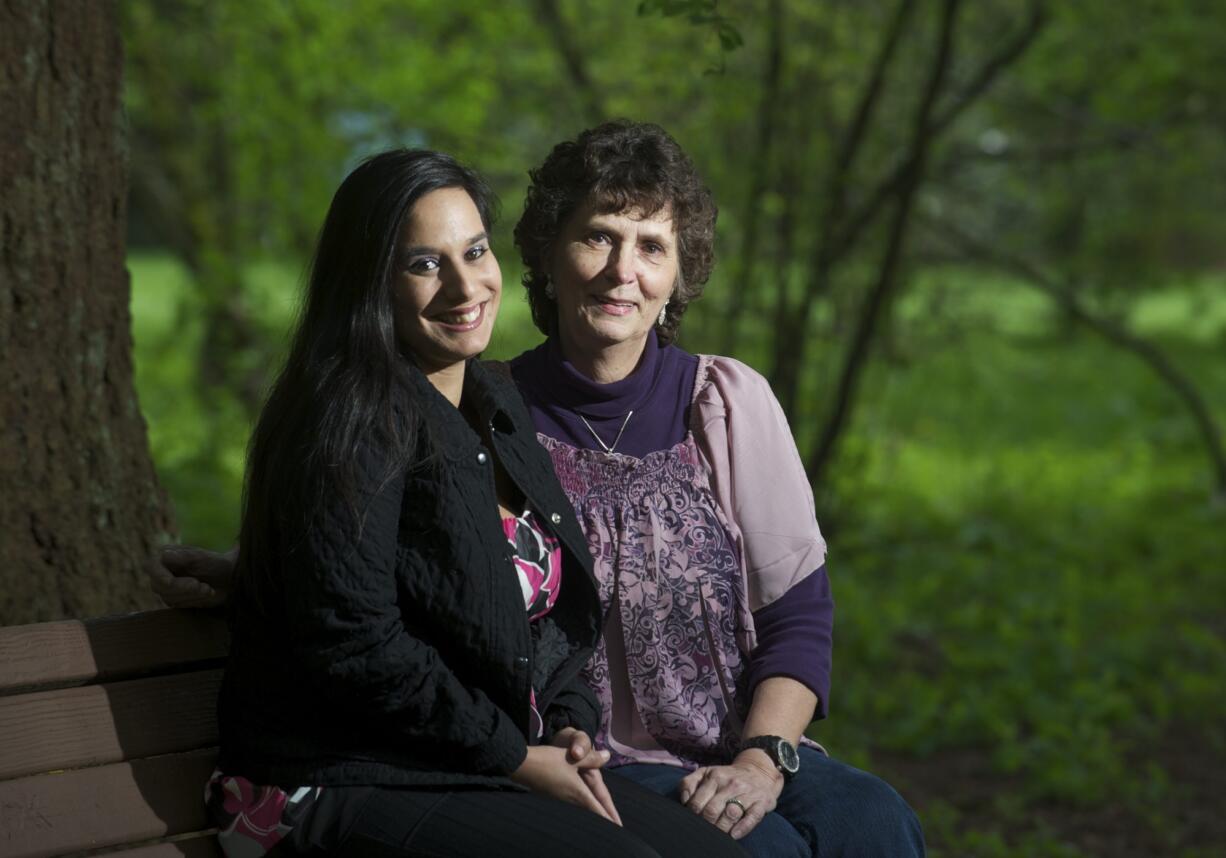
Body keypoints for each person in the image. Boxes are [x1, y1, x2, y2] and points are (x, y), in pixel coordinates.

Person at [154, 123, 926, 857]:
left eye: (652, 247)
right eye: (598, 236)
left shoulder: (718, 402)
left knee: (874, 820)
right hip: (576, 753)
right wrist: (258, 572)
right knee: (766, 851)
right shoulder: (485, 402)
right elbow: (388, 555)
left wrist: (761, 757)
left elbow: (795, 610)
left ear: (679, 272)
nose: (625, 269)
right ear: (548, 254)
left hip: (700, 740)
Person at [191, 148, 749, 858]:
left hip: (459, 761)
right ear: (372, 283)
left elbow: (546, 618)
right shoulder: (350, 419)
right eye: (424, 264)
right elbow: (354, 643)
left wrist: (568, 724)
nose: (465, 286)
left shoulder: (493, 406)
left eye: (475, 252)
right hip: (326, 781)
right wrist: (515, 756)